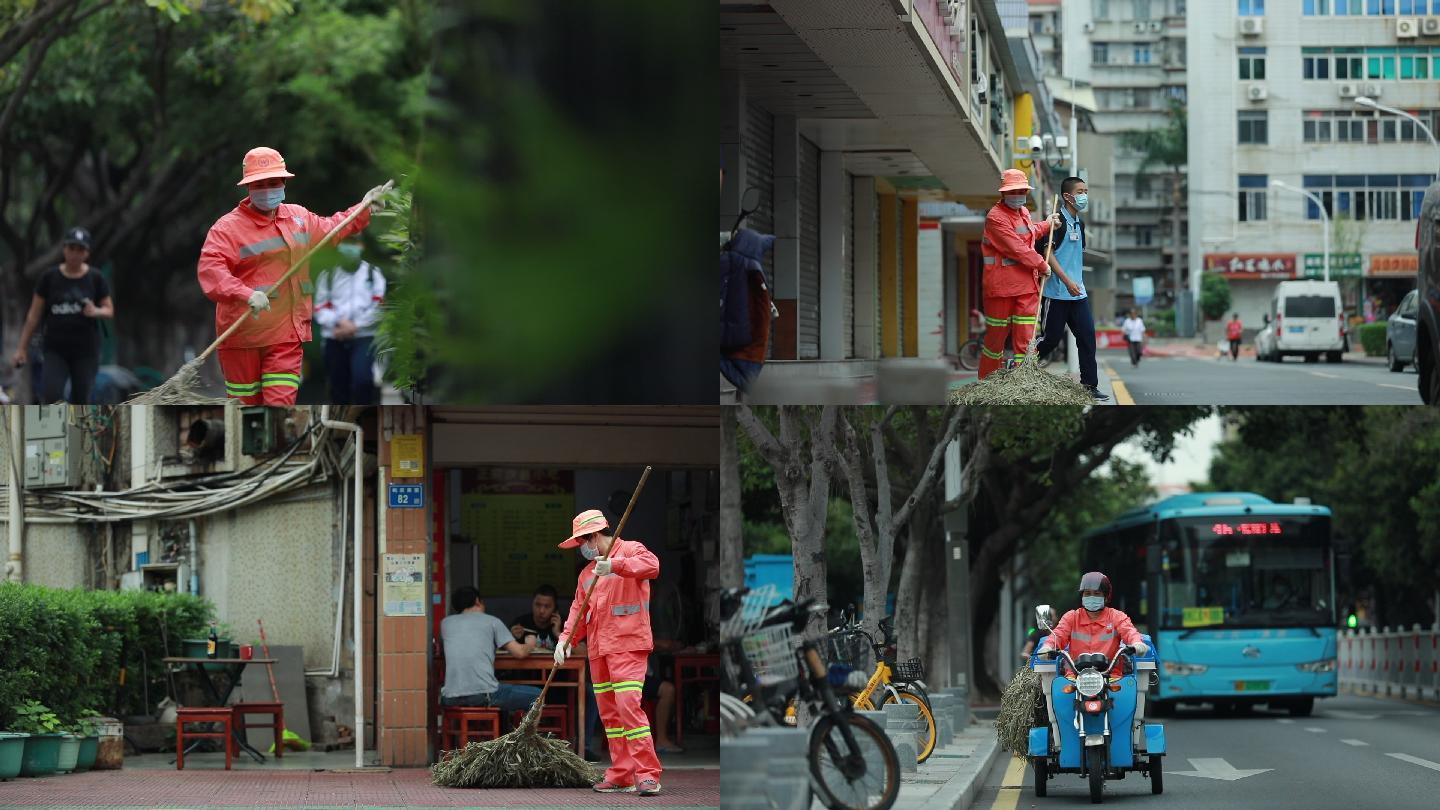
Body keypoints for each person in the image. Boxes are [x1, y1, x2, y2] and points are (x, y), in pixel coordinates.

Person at [196, 146, 386, 405]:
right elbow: (211, 271)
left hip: (286, 336)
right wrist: (247, 294)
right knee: (244, 408)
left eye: (274, 182)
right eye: (260, 183)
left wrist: (364, 208)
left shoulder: (299, 217)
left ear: (284, 182)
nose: (268, 188)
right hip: (243, 337)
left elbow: (333, 228)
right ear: (248, 187)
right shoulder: (227, 229)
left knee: (280, 406)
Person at [554, 509, 663, 796]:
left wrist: (615, 565)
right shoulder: (586, 574)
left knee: (628, 705)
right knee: (611, 716)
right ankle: (622, 773)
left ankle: (647, 773)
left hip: (628, 644)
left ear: (592, 536)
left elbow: (652, 566)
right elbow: (578, 611)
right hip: (599, 651)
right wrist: (564, 640)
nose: (582, 548)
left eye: (582, 541)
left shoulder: (630, 550)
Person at [11, 227, 114, 403]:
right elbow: (33, 316)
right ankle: (55, 430)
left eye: (80, 249)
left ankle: (78, 431)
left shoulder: (96, 278)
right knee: (52, 394)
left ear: (87, 253)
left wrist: (95, 311)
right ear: (64, 249)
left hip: (85, 351)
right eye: (71, 248)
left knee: (82, 398)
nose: (75, 254)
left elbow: (109, 310)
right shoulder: (49, 278)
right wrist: (22, 348)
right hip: (55, 349)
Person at [979, 169, 1058, 379]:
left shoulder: (1023, 212)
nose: (1019, 194)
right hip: (1001, 288)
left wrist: (1048, 223)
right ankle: (988, 380)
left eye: (1022, 190)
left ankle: (1025, 379)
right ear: (1004, 193)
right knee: (996, 339)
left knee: (1026, 337)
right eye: (1014, 190)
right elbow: (1016, 248)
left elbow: (1030, 234)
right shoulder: (995, 217)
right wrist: (1042, 265)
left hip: (1025, 286)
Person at [1034, 177, 1107, 402]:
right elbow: (1049, 254)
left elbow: (1076, 255)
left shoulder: (1080, 224)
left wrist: (1076, 283)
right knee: (1051, 340)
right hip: (1057, 294)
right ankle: (1021, 365)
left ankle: (1089, 385)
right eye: (1080, 191)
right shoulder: (1057, 222)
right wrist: (1067, 281)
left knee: (1087, 338)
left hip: (1079, 294)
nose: (1084, 195)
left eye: (1086, 190)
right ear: (1067, 196)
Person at [439, 586, 542, 717]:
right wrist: (530, 644)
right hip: (483, 695)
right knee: (538, 695)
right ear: (477, 601)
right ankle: (526, 737)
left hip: (450, 697)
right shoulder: (492, 621)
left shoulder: (446, 624)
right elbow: (520, 653)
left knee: (502, 691)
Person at [313, 235, 385, 404]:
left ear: (361, 246)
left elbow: (379, 307)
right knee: (338, 387)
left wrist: (355, 326)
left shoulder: (372, 274)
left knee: (363, 381)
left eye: (354, 244)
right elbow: (320, 308)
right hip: (335, 336)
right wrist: (339, 323)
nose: (350, 248)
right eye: (346, 244)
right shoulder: (328, 276)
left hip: (364, 337)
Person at [1036, 572, 1148, 667]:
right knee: (1058, 691)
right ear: (1082, 596)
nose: (1091, 597)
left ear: (1106, 597)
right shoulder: (1071, 617)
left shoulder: (1117, 617)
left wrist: (1137, 644)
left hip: (1111, 676)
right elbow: (1058, 635)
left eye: (1097, 593)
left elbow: (1130, 632)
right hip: (1074, 677)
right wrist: (1047, 648)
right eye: (1087, 593)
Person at [509, 584, 565, 648]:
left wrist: (558, 633)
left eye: (547, 606)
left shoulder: (565, 625)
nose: (541, 611)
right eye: (538, 605)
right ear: (532, 604)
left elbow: (578, 652)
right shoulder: (520, 623)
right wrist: (512, 637)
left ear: (555, 609)